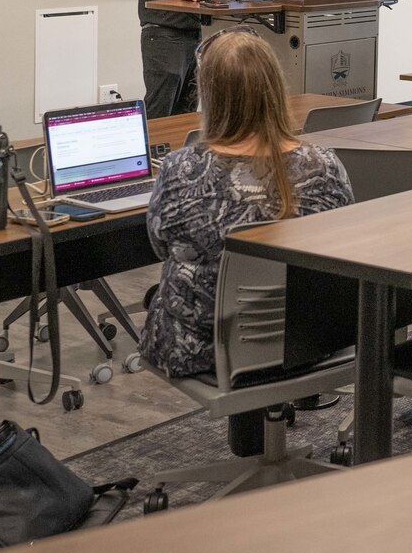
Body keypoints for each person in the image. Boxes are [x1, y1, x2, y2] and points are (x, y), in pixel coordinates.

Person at [140, 31, 353, 380]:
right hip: (309, 339)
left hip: (204, 350)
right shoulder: (325, 166)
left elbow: (161, 246)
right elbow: (345, 251)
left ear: (208, 96)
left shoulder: (182, 170)